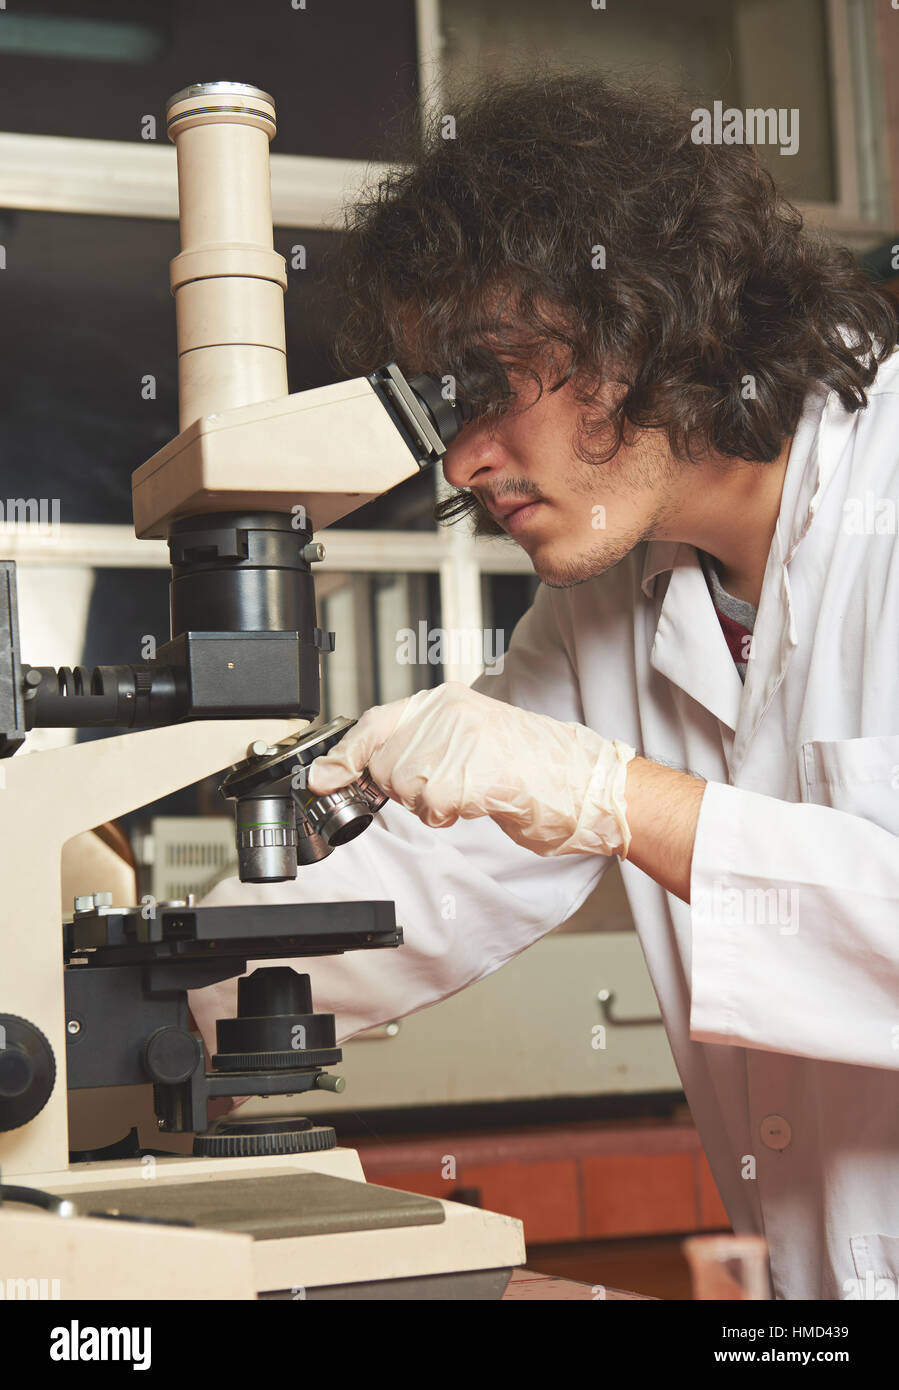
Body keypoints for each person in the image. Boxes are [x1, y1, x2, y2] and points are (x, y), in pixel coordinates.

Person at [192, 74, 899, 1301]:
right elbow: (414, 879)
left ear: (638, 315)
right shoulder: (608, 601)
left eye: (484, 382)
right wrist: (107, 995)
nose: (459, 460)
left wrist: (622, 798)